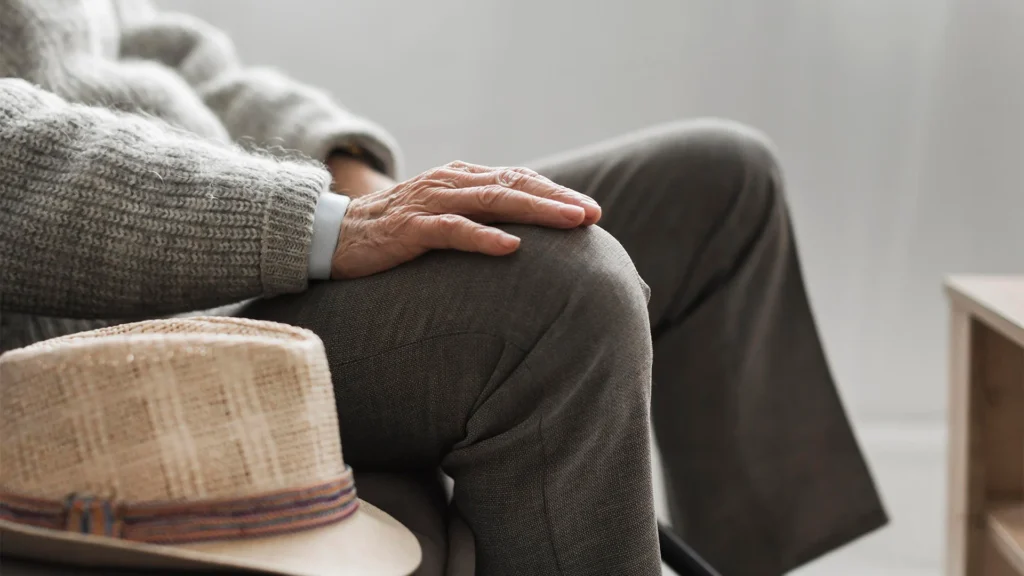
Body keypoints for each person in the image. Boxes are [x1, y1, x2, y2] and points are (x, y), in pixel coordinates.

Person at [0, 1, 887, 575]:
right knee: (557, 290)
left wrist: (353, 174)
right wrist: (315, 225)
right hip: (91, 347)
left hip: (230, 258)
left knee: (718, 182)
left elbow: (163, 53)